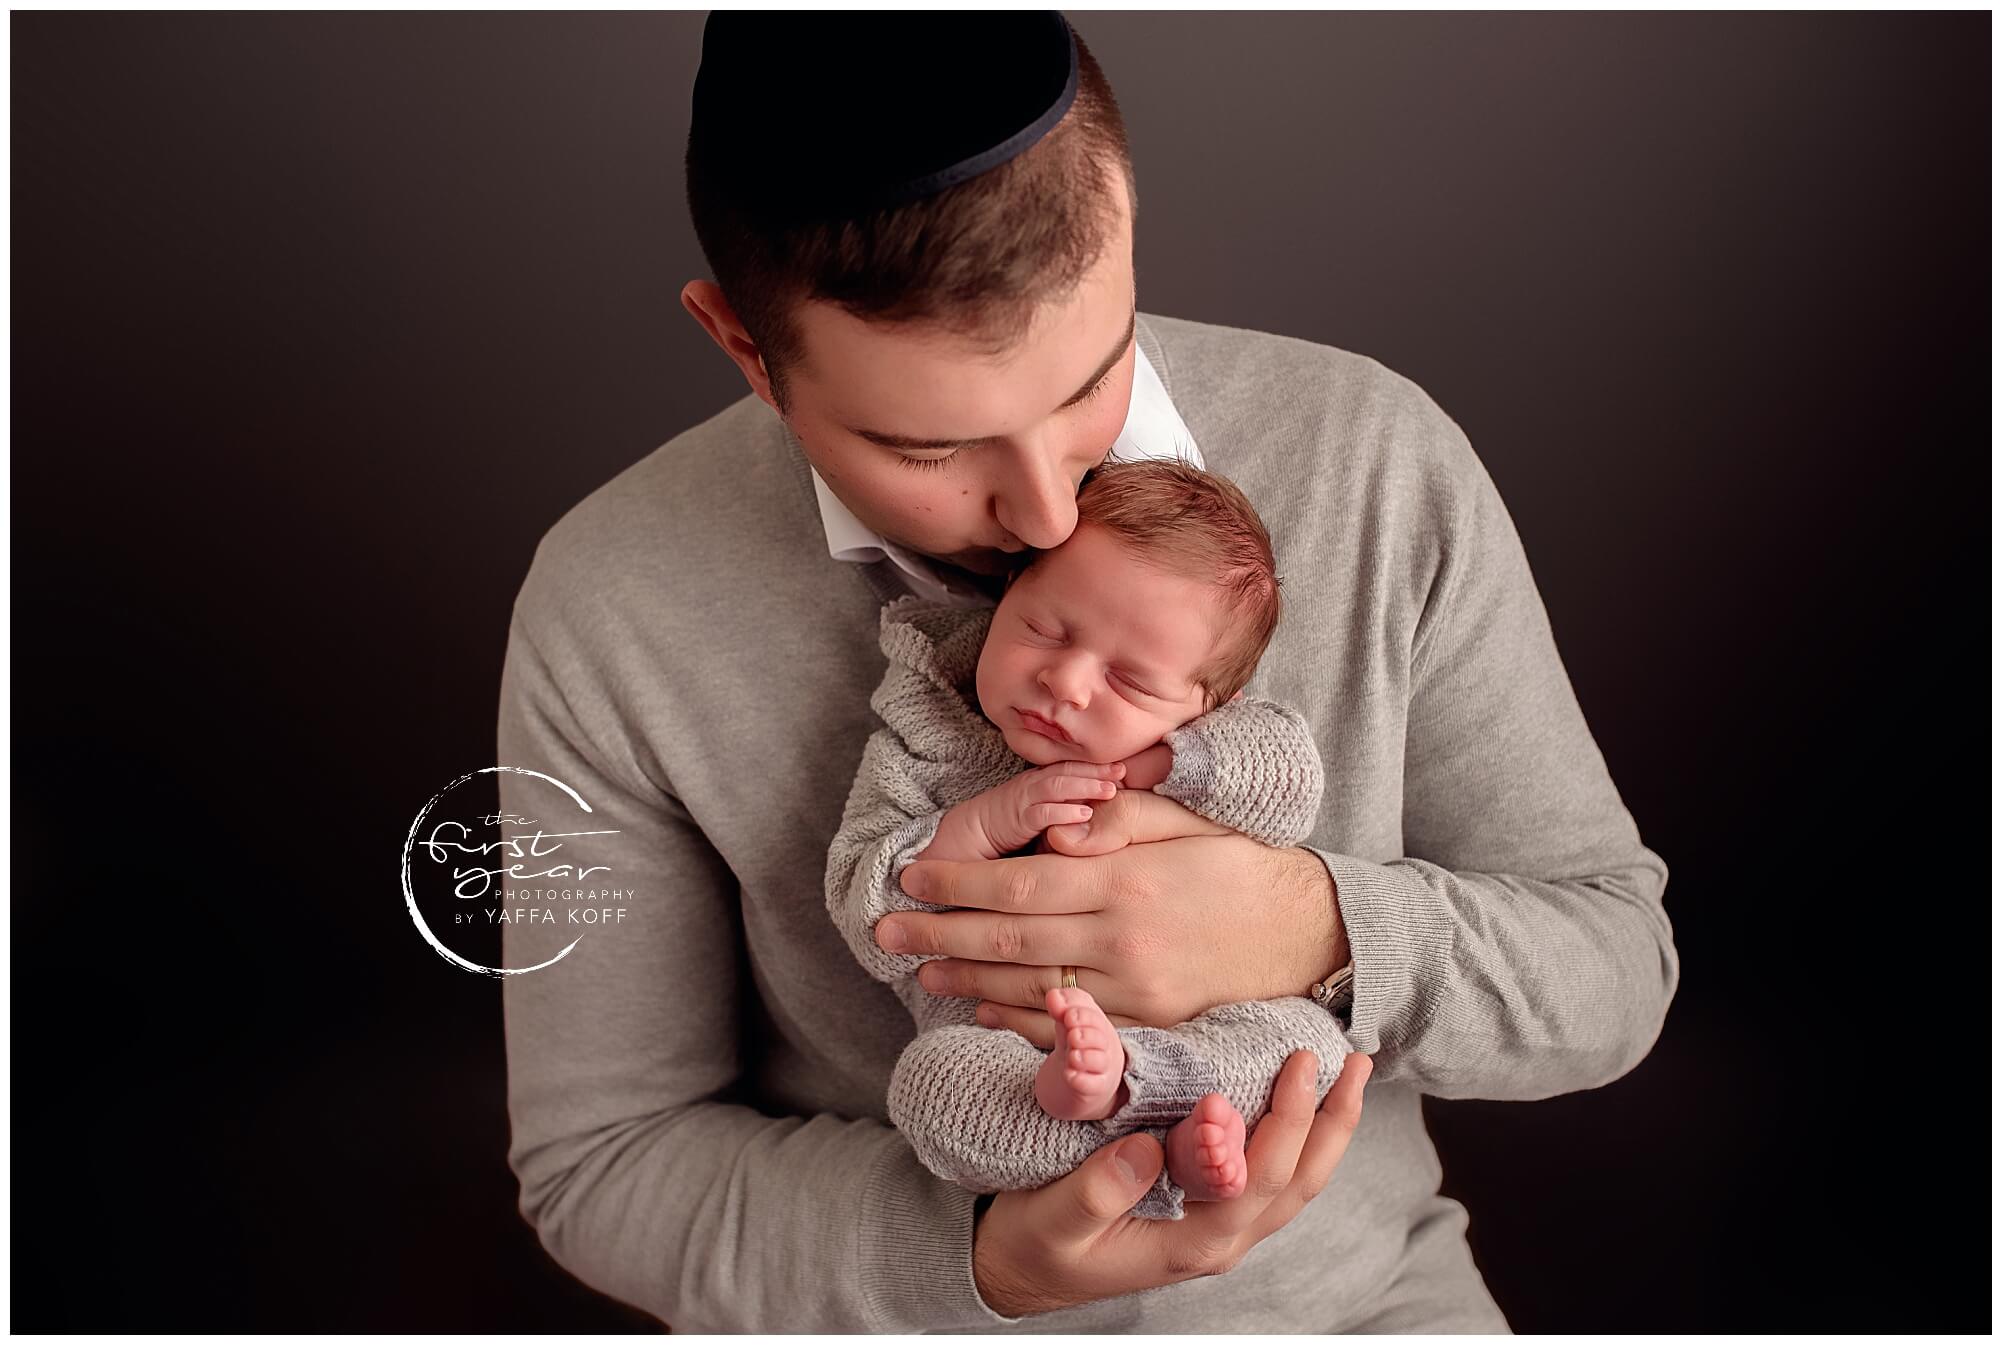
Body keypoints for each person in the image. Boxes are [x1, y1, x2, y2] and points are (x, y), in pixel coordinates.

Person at [495, 11, 1676, 1333]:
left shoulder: (1372, 460)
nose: (1051, 515)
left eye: (1091, 382)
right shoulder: (610, 602)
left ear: (1121, 209)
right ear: (741, 346)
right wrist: (980, 1266)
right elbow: (600, 1166)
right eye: (929, 450)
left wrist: (1320, 927)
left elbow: (1611, 975)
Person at [825, 459, 1356, 1222]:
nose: (1066, 683)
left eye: (1133, 684)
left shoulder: (1215, 740)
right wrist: (981, 824)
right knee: (933, 1092)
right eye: (1043, 630)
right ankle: (1115, 1116)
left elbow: (1290, 787)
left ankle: (1154, 1099)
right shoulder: (927, 735)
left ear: (1211, 703)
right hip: (1009, 1048)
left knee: (1315, 1053)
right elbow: (868, 919)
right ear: (1007, 593)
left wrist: (1160, 762)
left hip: (1202, 1034)